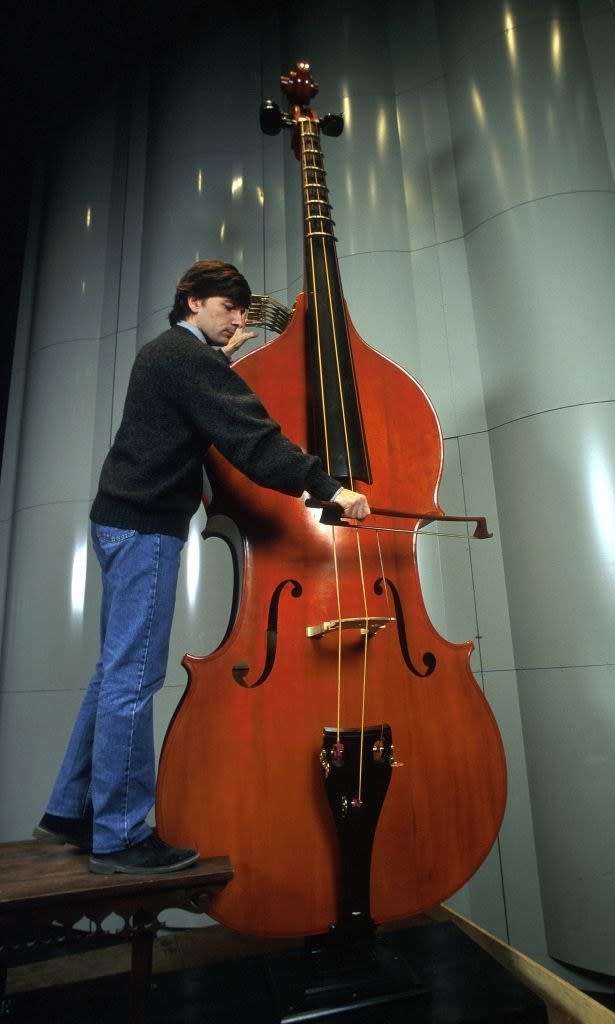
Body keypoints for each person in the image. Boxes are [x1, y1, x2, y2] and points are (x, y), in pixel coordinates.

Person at [34, 260, 369, 876]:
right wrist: (329, 488)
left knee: (113, 673)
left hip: (119, 520)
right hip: (145, 529)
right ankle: (121, 836)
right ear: (192, 302)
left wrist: (221, 356)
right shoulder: (187, 360)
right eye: (226, 308)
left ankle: (71, 810)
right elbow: (253, 441)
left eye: (242, 311)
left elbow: (205, 400)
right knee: (134, 679)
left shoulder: (168, 353)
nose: (238, 319)